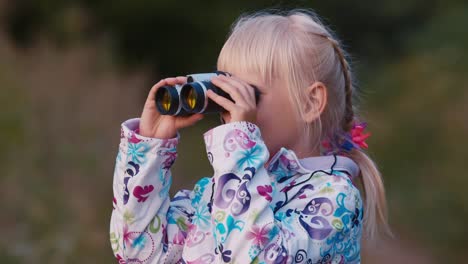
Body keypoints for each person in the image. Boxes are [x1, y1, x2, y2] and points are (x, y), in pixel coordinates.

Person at [109, 8, 391, 264]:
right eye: (225, 92)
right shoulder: (214, 192)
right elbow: (138, 252)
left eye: (248, 94)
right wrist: (149, 150)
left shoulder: (332, 199)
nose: (231, 107)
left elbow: (252, 258)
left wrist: (239, 149)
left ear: (310, 103)